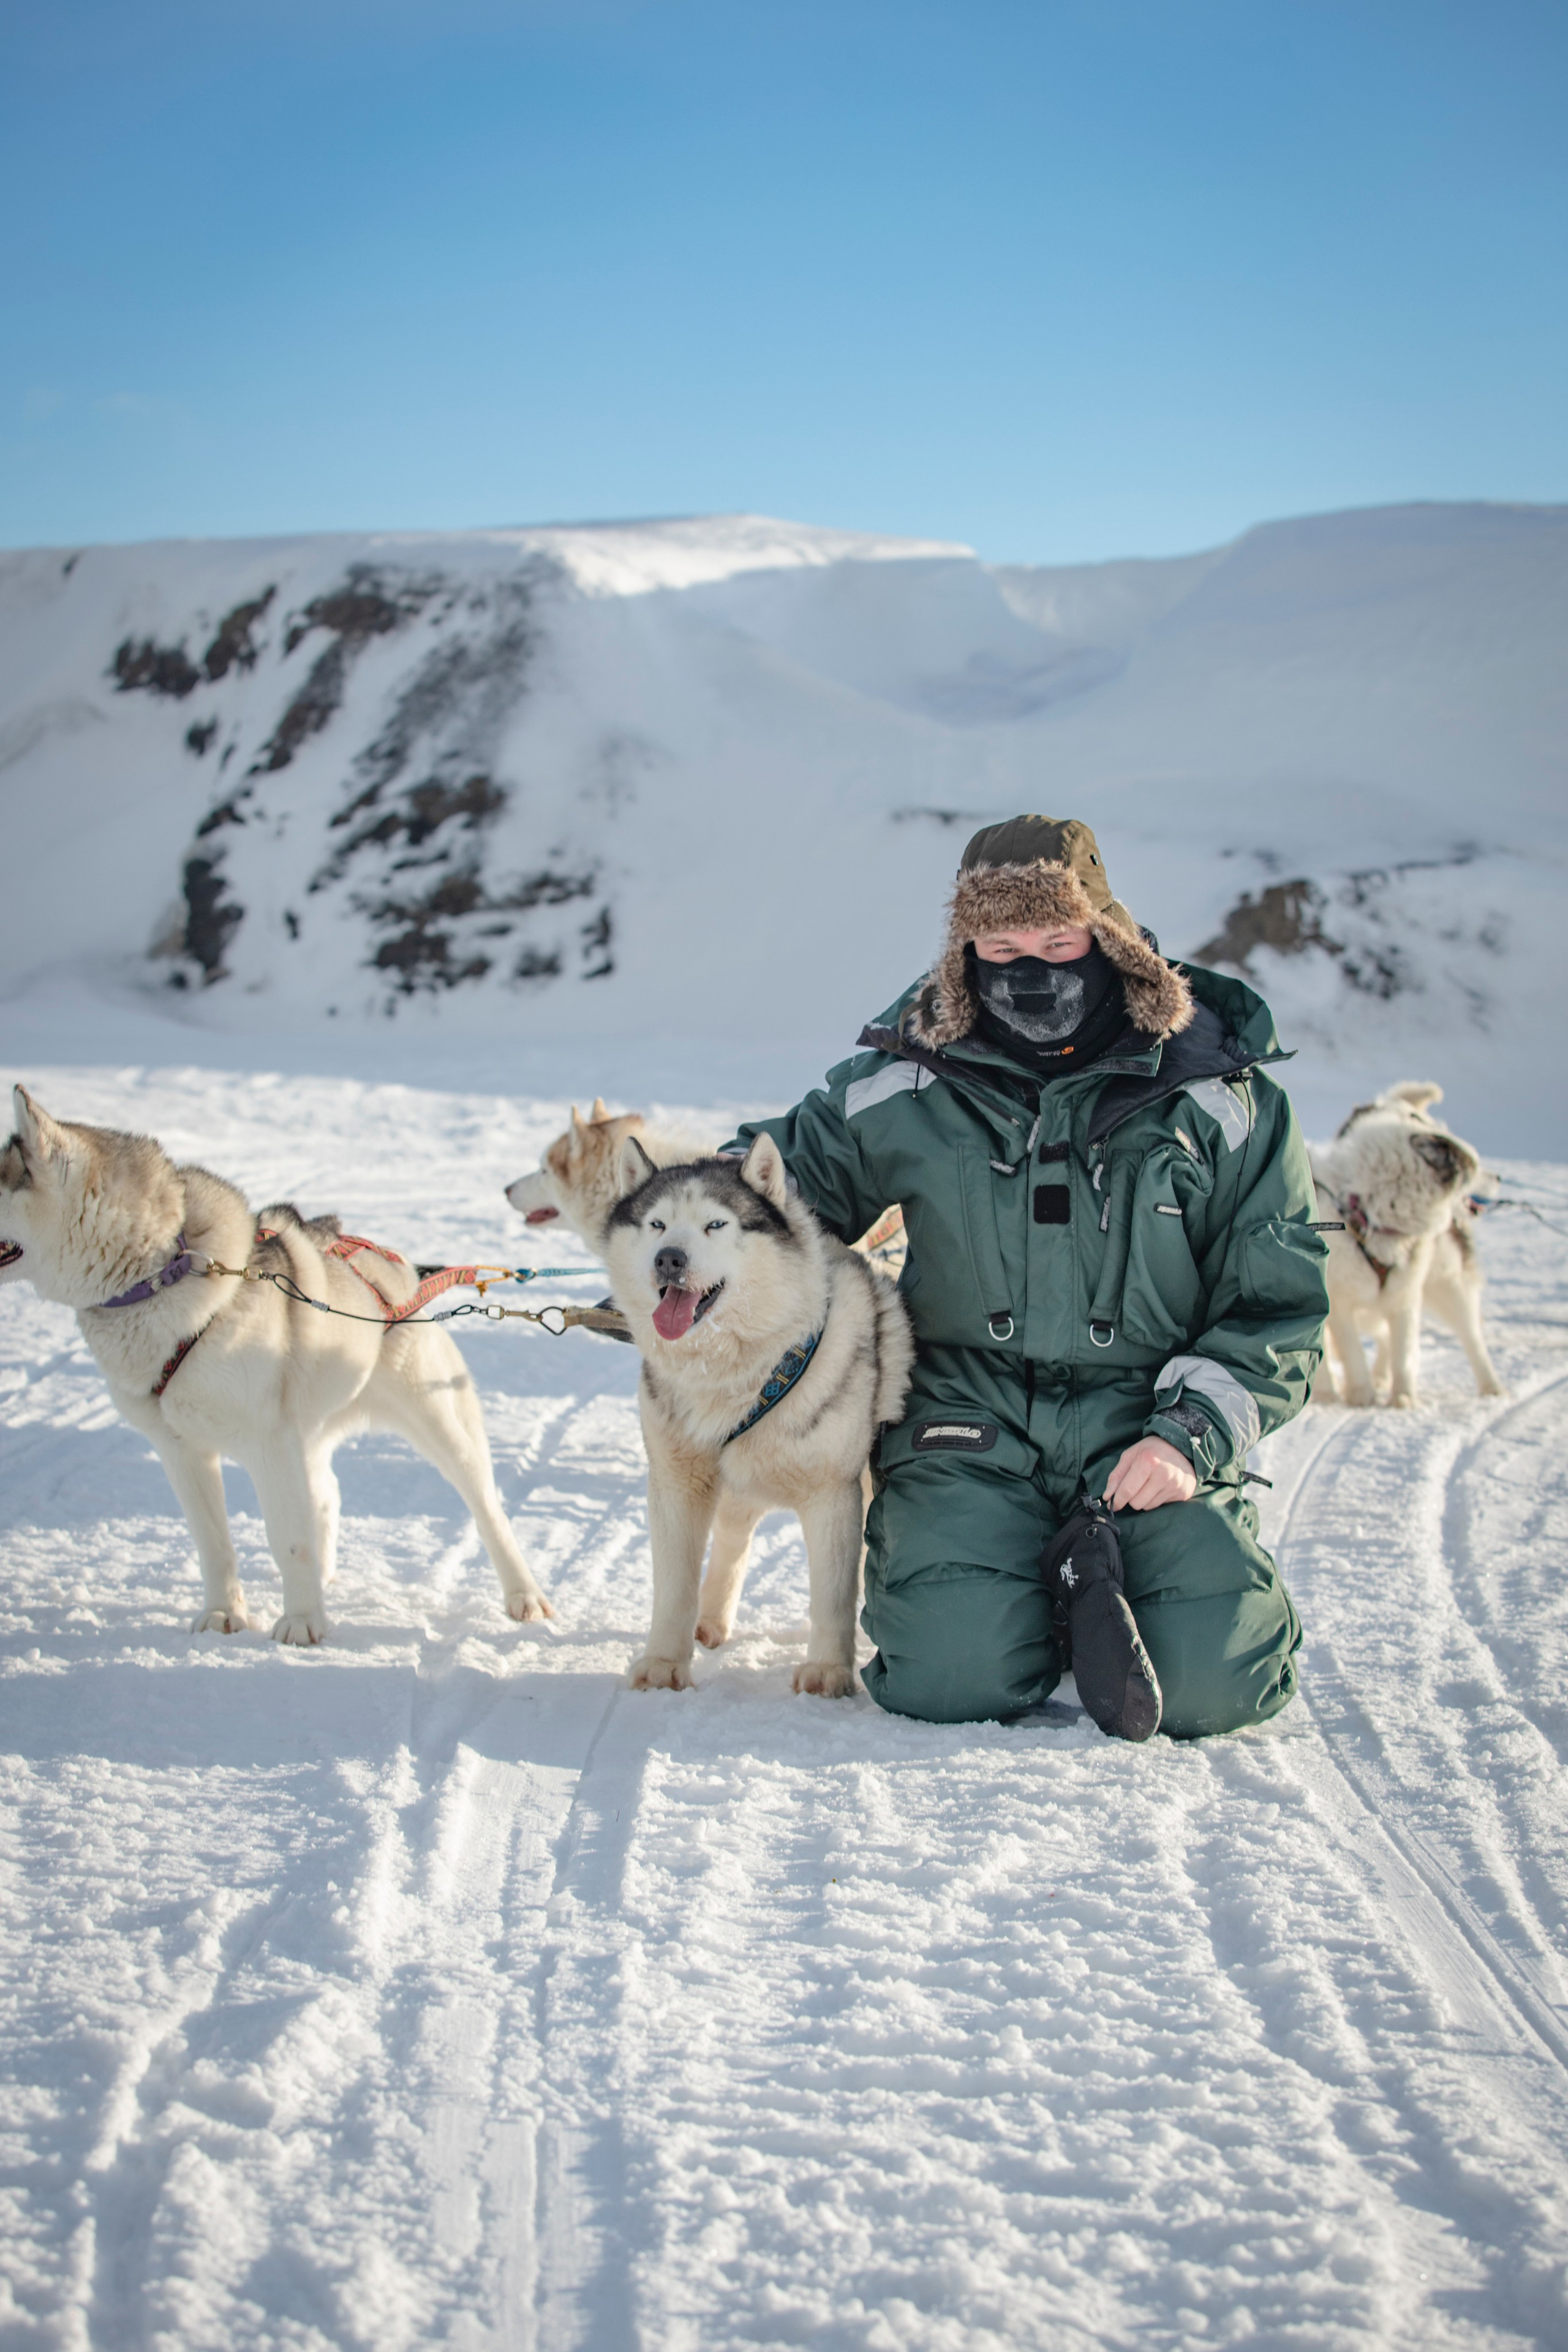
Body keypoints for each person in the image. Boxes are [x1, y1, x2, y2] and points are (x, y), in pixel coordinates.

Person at [729, 814, 1329, 1740]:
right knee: (946, 1680)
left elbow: (1275, 1306)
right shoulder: (911, 1076)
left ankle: (1100, 1578)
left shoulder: (1217, 1093)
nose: (1032, 972)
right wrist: (683, 1249)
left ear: (1110, 938)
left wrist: (1189, 1437)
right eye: (1002, 949)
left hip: (1144, 1427)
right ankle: (1036, 1599)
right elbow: (778, 1183)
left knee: (1220, 1687)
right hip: (966, 1420)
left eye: (1058, 943)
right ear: (965, 953)